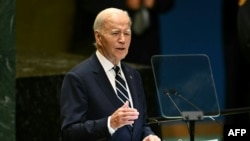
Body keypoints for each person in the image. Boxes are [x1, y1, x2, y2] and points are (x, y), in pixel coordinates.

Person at [60, 8, 161, 141]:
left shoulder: (134, 75)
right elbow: (69, 133)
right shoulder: (78, 78)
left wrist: (148, 135)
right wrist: (110, 123)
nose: (122, 40)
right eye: (115, 33)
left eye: (127, 33)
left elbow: (141, 123)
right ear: (99, 37)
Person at [69, 0, 173, 65]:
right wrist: (123, 2)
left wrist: (154, 2)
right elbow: (87, 3)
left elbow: (167, 3)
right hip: (104, 41)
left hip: (145, 45)